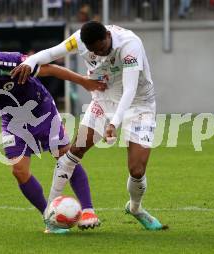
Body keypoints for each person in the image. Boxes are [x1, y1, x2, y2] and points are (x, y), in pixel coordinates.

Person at [0, 37, 106, 234]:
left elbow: (50, 69)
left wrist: (84, 81)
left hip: (42, 111)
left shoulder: (14, 62)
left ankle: (87, 210)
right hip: (12, 118)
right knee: (19, 170)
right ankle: (49, 217)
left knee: (66, 157)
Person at [12, 21, 168, 231]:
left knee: (137, 169)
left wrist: (114, 123)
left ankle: (135, 208)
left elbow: (130, 89)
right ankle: (50, 215)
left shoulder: (130, 45)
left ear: (106, 35)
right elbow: (50, 54)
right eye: (94, 51)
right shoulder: (79, 39)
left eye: (101, 49)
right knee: (74, 150)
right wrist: (30, 62)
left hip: (139, 104)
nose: (99, 54)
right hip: (103, 101)